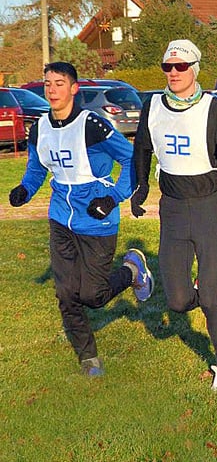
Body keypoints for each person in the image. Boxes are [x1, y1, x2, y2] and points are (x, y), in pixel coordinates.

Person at [131, 39, 217, 390]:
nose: (174, 73)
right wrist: (140, 187)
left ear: (194, 69)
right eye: (168, 67)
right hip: (172, 209)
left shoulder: (214, 108)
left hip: (208, 210)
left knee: (211, 298)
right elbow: (142, 148)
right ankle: (201, 297)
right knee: (176, 301)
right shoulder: (152, 105)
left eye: (181, 66)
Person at [8, 61, 153, 377]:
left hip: (96, 219)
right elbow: (37, 168)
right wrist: (25, 189)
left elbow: (130, 158)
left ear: (74, 88)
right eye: (47, 83)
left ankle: (132, 270)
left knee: (93, 296)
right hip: (61, 219)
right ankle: (89, 358)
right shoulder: (40, 128)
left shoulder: (92, 125)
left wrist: (114, 197)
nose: (52, 89)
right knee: (66, 294)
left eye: (59, 83)